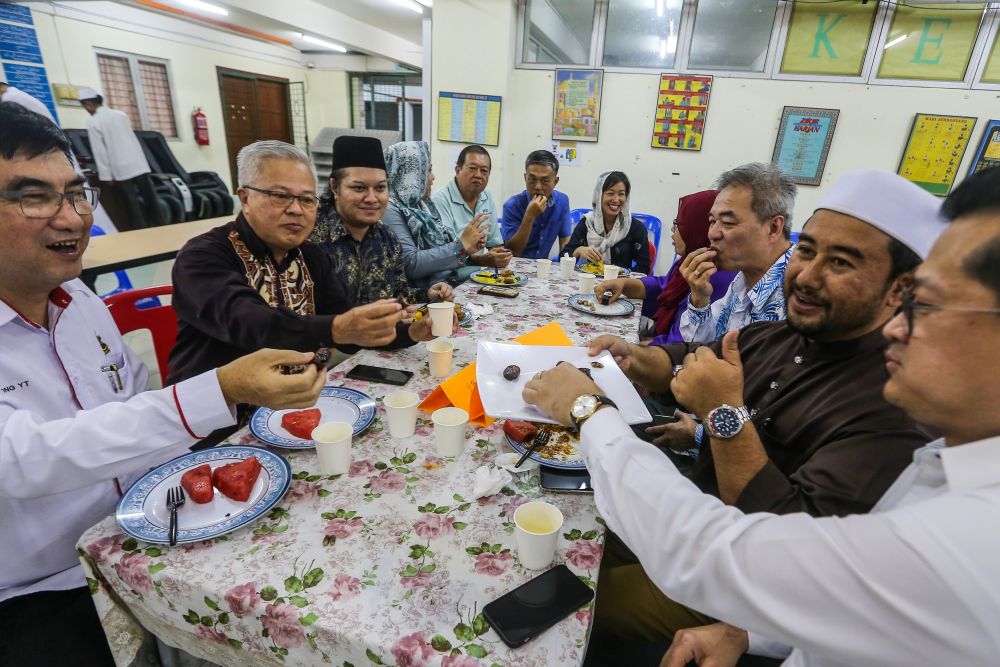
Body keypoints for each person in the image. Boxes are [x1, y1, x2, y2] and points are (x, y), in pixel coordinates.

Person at [527, 166, 1000, 667]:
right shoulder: (786, 335)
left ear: (894, 288)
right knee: (555, 533)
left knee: (565, 601)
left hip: (716, 575)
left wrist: (595, 410)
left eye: (926, 304)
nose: (806, 274)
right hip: (695, 527)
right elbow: (690, 359)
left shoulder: (895, 411)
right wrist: (631, 356)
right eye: (807, 249)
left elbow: (769, 555)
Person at [0, 103, 324, 666]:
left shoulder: (79, 304)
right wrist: (221, 391)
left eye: (78, 194)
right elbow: (22, 460)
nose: (73, 218)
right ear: (244, 196)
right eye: (35, 198)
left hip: (142, 535)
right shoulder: (207, 255)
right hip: (40, 588)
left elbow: (133, 406)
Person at [168, 140, 448, 387]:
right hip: (218, 421)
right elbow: (248, 322)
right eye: (280, 196)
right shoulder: (204, 256)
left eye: (306, 199)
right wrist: (336, 328)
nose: (295, 209)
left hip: (300, 402)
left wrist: (410, 332)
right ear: (245, 198)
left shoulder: (309, 256)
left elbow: (349, 326)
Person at [310, 135, 453, 306]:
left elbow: (398, 292)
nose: (372, 198)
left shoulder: (386, 237)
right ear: (334, 187)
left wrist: (427, 294)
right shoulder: (310, 239)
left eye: (380, 188)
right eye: (359, 188)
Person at [596, 190, 737, 344]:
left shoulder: (713, 277)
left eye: (678, 224)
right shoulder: (691, 261)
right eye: (711, 222)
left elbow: (680, 343)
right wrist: (623, 284)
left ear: (696, 228)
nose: (673, 232)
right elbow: (664, 287)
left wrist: (633, 349)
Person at [680, 163, 797, 342]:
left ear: (773, 228)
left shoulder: (800, 295)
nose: (712, 233)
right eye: (712, 221)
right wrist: (700, 298)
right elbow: (706, 345)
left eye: (727, 222)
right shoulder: (743, 279)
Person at [381, 141, 498, 288]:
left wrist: (467, 251)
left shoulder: (421, 205)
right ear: (410, 174)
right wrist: (461, 246)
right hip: (419, 297)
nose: (432, 177)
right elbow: (411, 264)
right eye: (428, 171)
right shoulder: (390, 209)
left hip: (444, 286)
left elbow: (441, 253)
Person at [78, 88, 163, 230]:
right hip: (139, 163)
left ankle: (141, 230)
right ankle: (161, 225)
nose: (86, 109)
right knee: (151, 197)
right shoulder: (121, 115)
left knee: (132, 203)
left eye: (84, 106)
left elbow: (100, 151)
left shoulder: (93, 122)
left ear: (89, 103)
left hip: (120, 168)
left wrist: (106, 176)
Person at [430, 144, 512, 281]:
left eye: (484, 171)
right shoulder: (440, 200)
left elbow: (495, 244)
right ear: (458, 170)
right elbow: (446, 254)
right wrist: (481, 260)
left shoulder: (487, 197)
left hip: (476, 279)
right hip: (448, 282)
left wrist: (500, 255)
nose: (478, 175)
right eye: (472, 168)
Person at [563, 171, 650, 274]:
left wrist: (621, 274)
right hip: (587, 282)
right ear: (599, 196)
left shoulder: (635, 228)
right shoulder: (588, 223)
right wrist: (578, 250)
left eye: (621, 194)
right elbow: (563, 257)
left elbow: (644, 268)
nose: (616, 200)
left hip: (620, 285)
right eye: (610, 193)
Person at [501, 149, 573, 259]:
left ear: (555, 181)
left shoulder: (562, 201)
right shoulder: (512, 205)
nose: (538, 187)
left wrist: (565, 266)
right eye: (532, 179)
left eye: (545, 181)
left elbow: (565, 242)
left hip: (543, 268)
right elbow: (513, 252)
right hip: (514, 269)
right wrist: (529, 216)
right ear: (525, 178)